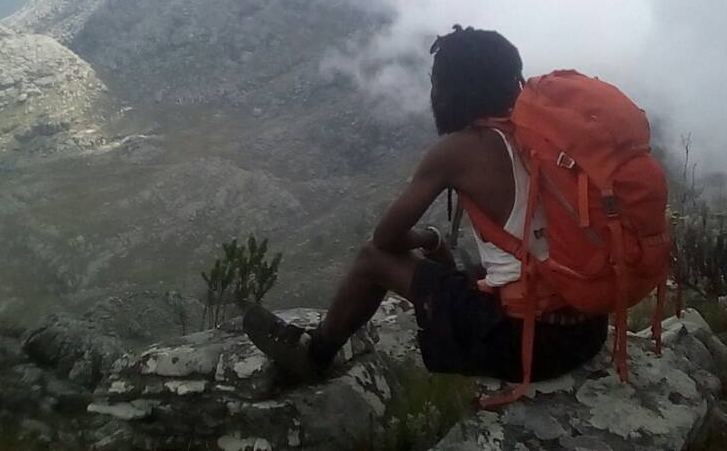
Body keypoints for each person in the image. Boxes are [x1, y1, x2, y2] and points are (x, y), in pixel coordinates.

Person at [243, 25, 609, 384]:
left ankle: (315, 356)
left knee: (372, 260)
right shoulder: (547, 137)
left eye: (437, 84)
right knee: (481, 273)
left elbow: (385, 239)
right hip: (587, 331)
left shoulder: (460, 149)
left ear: (455, 91)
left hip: (528, 345)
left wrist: (428, 239)